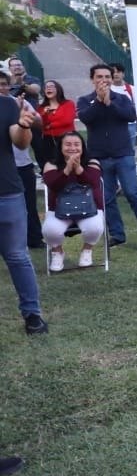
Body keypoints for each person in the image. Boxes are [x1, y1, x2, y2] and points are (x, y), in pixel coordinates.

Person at [76, 64, 137, 246]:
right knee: (107, 197)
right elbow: (86, 118)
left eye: (107, 77)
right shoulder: (84, 100)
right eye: (99, 77)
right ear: (92, 79)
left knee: (133, 193)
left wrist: (109, 103)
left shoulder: (121, 98)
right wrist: (98, 101)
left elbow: (129, 116)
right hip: (99, 156)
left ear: (112, 79)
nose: (103, 80)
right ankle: (118, 235)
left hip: (122, 154)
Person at [0, 90, 45, 333]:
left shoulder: (6, 104)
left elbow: (19, 140)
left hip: (6, 192)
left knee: (17, 257)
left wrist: (22, 124)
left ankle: (32, 316)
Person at [41, 131, 104, 272]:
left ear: (83, 147)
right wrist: (67, 169)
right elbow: (53, 185)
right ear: (60, 147)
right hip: (59, 209)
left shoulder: (93, 162)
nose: (72, 148)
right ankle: (57, 252)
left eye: (77, 144)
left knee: (95, 227)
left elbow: (93, 182)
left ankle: (87, 250)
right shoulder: (51, 165)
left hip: (89, 207)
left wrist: (78, 169)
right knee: (50, 230)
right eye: (68, 144)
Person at [0, 75, 43, 249]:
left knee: (29, 204)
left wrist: (24, 119)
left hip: (22, 163)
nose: (1, 88)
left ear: (9, 87)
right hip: (6, 168)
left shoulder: (16, 103)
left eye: (4, 85)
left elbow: (39, 122)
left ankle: (34, 239)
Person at [35, 79, 75, 167]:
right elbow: (42, 125)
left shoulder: (68, 103)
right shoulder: (41, 108)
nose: (48, 88)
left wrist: (51, 125)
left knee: (69, 163)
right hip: (48, 140)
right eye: (46, 87)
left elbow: (67, 120)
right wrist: (45, 115)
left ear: (58, 89)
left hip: (67, 137)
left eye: (51, 86)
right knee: (52, 163)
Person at [107, 62, 137, 151]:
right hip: (112, 125)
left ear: (123, 74)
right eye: (113, 72)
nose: (116, 74)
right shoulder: (105, 89)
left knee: (130, 150)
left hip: (130, 126)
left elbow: (136, 107)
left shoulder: (132, 89)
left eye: (118, 72)